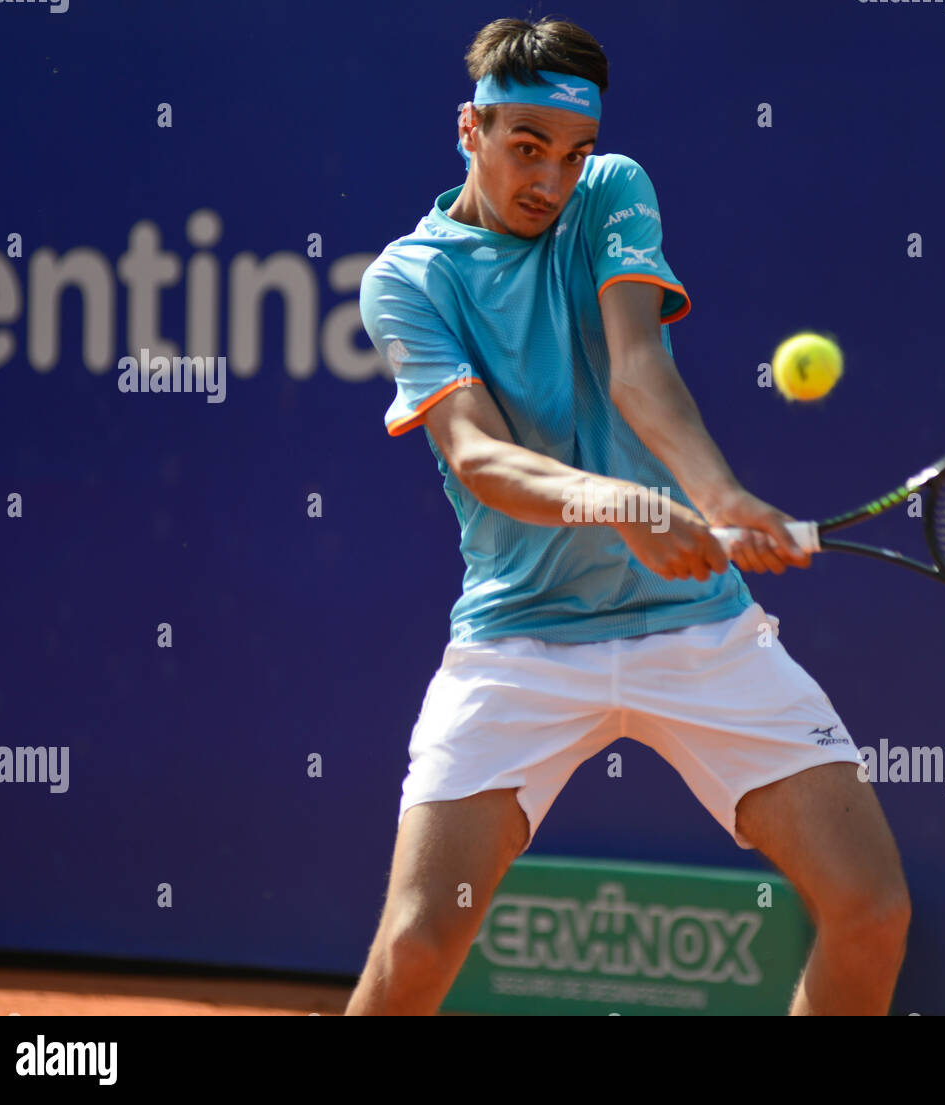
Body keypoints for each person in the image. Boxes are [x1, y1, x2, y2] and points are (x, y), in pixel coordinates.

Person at [347, 16, 909, 1016]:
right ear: (468, 130)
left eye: (572, 155)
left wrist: (717, 494)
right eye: (526, 149)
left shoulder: (613, 190)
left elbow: (638, 367)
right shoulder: (409, 277)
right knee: (420, 941)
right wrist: (619, 503)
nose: (552, 182)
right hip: (519, 645)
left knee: (868, 906)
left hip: (700, 635)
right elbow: (476, 456)